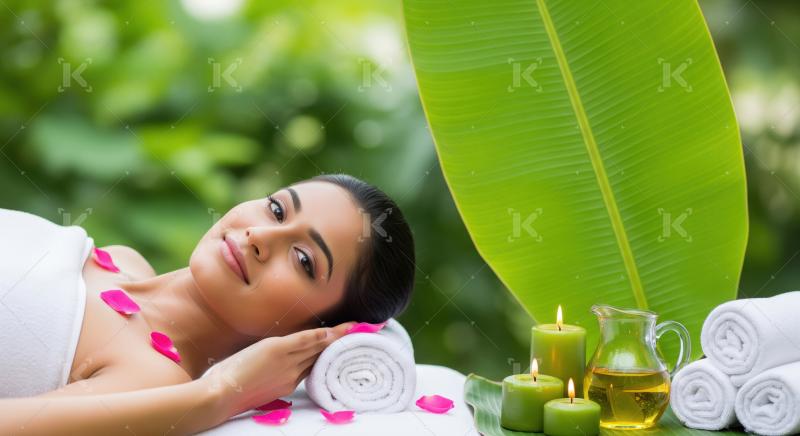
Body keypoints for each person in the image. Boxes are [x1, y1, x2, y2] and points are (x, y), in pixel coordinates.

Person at [0, 174, 416, 434]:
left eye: (303, 259)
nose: (258, 236)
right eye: (276, 209)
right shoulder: (124, 261)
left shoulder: (153, 378)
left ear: (309, 333)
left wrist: (218, 395)